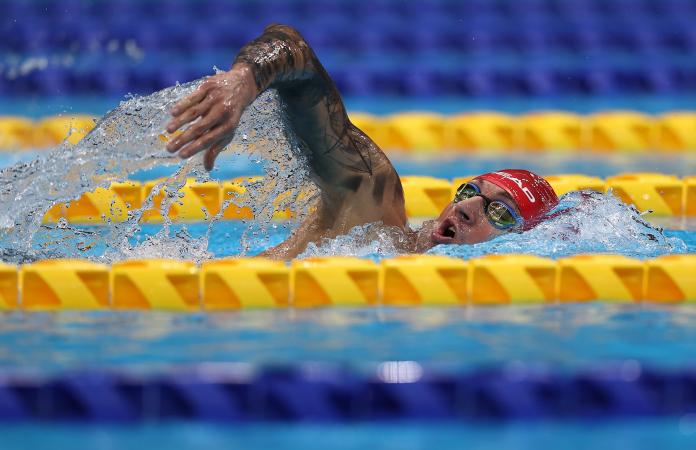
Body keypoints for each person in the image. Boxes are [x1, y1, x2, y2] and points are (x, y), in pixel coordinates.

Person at [165, 24, 559, 258]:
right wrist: (246, 78)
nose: (468, 206)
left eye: (501, 213)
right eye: (469, 190)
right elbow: (293, 48)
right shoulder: (371, 214)